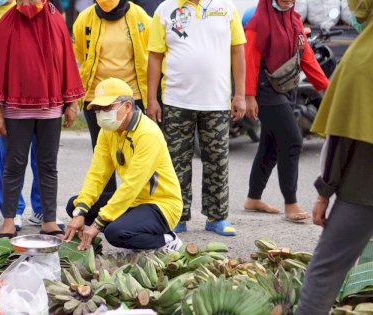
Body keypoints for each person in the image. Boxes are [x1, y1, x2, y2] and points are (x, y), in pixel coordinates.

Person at [0, 0, 84, 239]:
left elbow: (66, 61)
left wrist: (72, 103)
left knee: (47, 166)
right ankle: (8, 221)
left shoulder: (56, 20)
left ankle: (49, 220)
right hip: (16, 110)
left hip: (51, 109)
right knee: (13, 165)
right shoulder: (5, 24)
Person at [297, 0, 373, 312]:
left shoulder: (361, 57)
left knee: (325, 271)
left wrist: (324, 192)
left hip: (362, 188)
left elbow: (340, 137)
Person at [146, 0, 246, 236]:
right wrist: (152, 99)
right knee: (175, 163)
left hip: (217, 101)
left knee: (217, 161)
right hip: (176, 100)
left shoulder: (226, 7)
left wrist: (240, 94)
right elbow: (154, 56)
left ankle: (217, 217)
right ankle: (176, 216)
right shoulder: (165, 9)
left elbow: (237, 49)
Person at [64, 78, 183, 252]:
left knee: (115, 233)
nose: (101, 113)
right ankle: (136, 232)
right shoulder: (108, 131)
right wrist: (80, 212)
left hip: (160, 204)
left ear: (127, 106)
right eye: (98, 109)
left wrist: (98, 223)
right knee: (75, 205)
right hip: (133, 201)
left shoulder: (148, 134)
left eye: (107, 108)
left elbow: (132, 185)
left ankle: (167, 239)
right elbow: (97, 174)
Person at [242, 0, 329, 222]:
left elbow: (306, 55)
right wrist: (249, 96)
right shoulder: (258, 23)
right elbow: (249, 60)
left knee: (270, 144)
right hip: (263, 89)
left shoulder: (294, 20)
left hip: (286, 86)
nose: (290, 0)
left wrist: (326, 88)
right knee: (292, 141)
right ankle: (291, 203)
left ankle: (253, 198)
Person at [72, 0, 151, 193]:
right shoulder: (84, 19)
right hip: (96, 98)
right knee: (103, 156)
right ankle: (105, 207)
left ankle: (137, 204)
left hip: (131, 98)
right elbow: (81, 56)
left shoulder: (140, 16)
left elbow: (150, 55)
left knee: (136, 154)